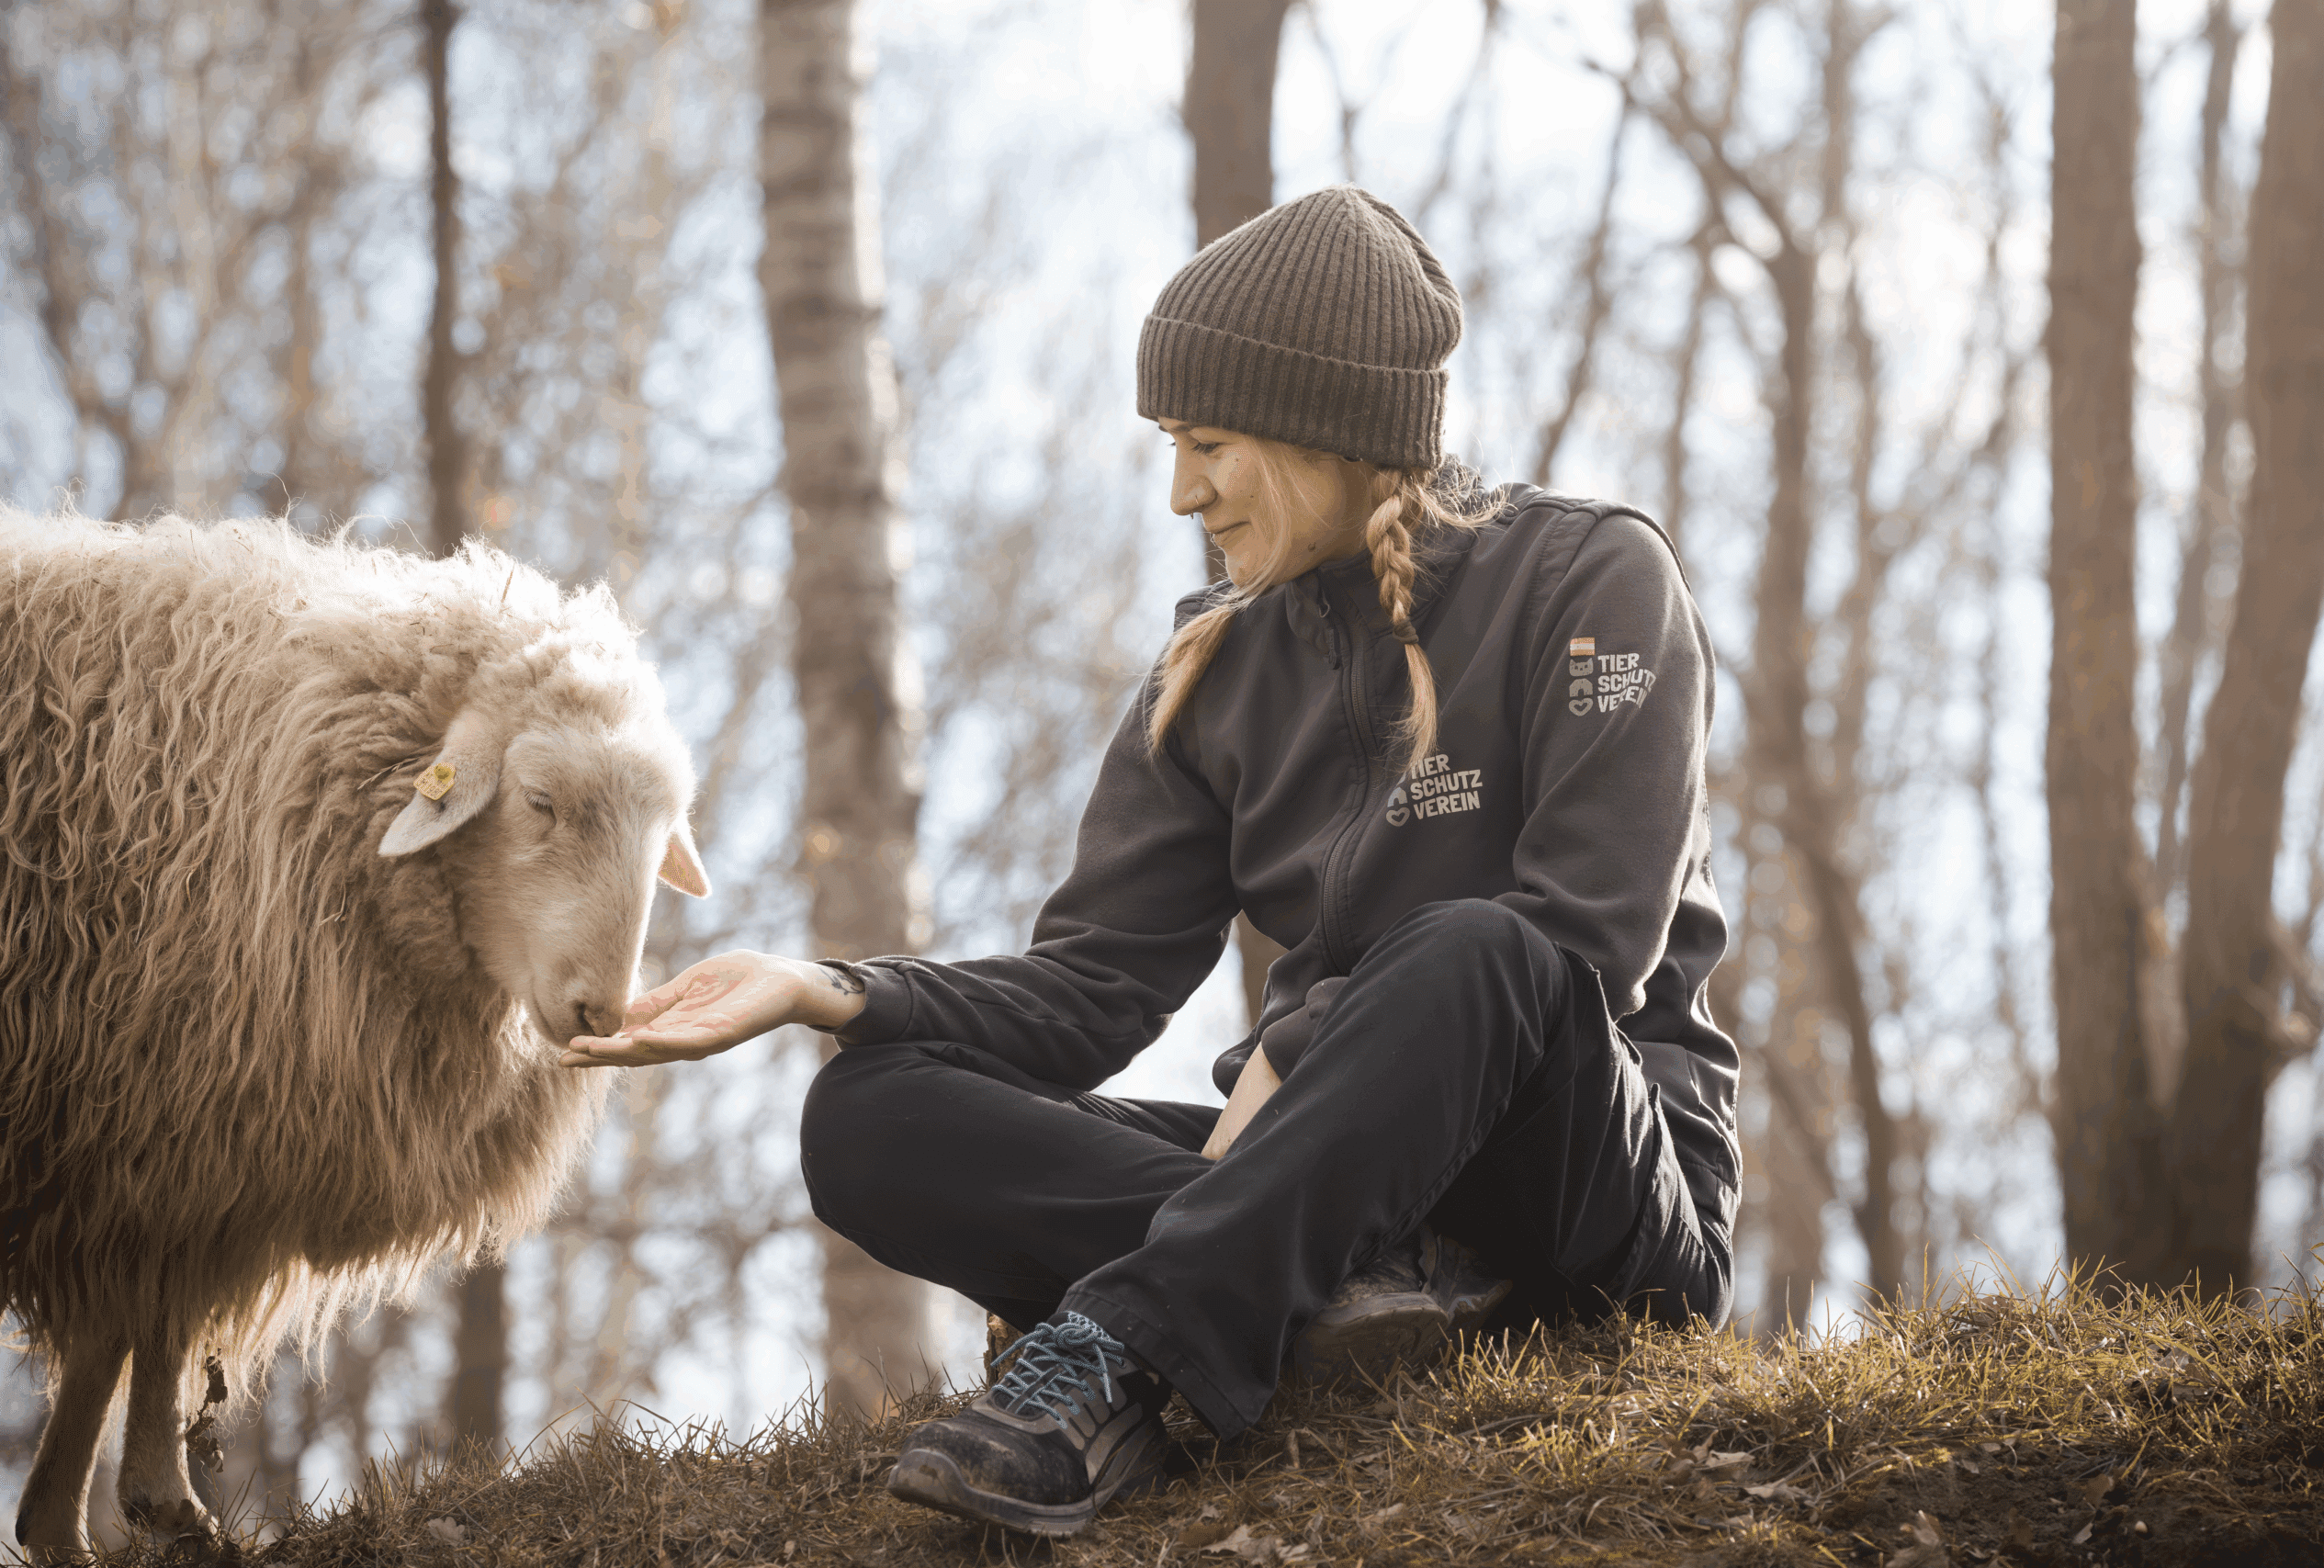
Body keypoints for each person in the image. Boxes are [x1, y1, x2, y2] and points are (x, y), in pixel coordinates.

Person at [561, 185, 1740, 1538]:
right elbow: (1087, 995)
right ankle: (1339, 1298)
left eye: (1210, 442)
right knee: (870, 1114)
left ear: (1324, 424)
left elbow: (1585, 941)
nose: (1183, 490)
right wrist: (832, 988)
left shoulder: (1591, 578)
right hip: (1325, 1179)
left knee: (1482, 947)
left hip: (1597, 1201)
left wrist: (1293, 1053)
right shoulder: (1212, 669)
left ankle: (1120, 1353)